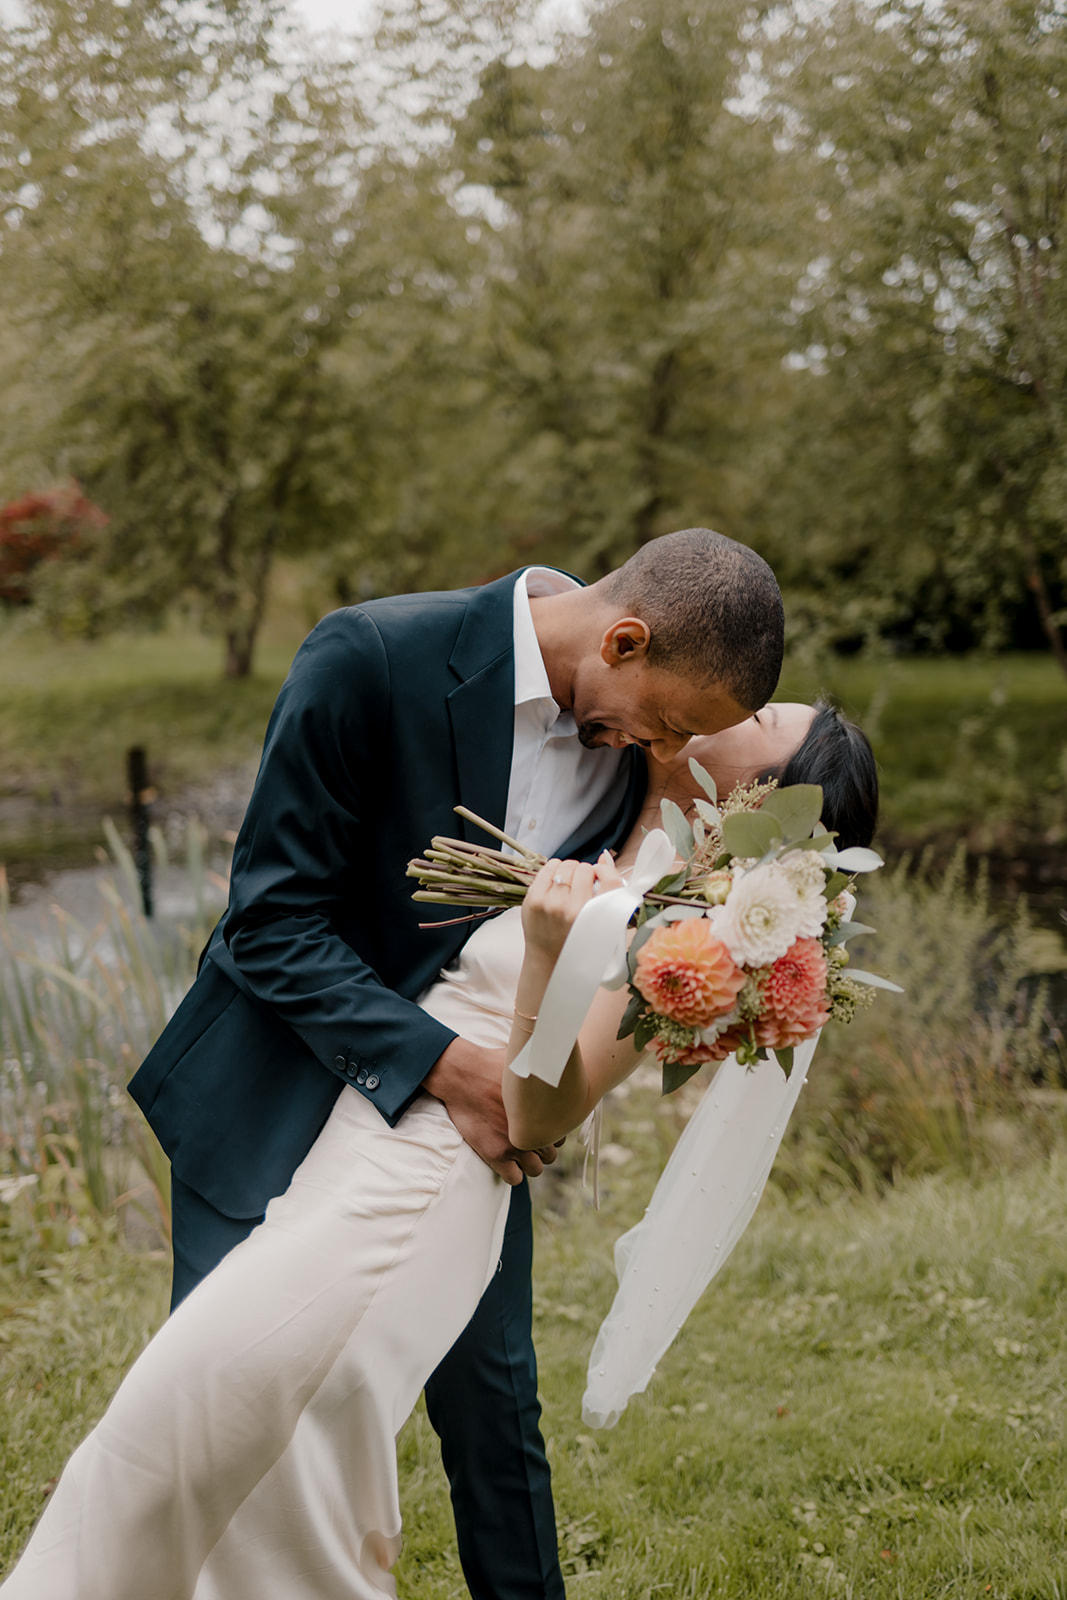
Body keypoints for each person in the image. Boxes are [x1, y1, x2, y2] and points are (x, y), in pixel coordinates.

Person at [0, 698, 877, 1600]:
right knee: (194, 1437)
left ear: (773, 795)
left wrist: (542, 950)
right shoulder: (609, 806)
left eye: (762, 712)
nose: (734, 694)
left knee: (212, 1428)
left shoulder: (696, 936)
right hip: (355, 1142)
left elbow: (539, 1116)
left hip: (419, 1187)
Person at [124, 529, 786, 1600]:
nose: (654, 752)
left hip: (458, 1136)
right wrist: (454, 1068)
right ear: (622, 637)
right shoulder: (368, 656)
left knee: (493, 1402)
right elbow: (270, 925)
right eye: (662, 720)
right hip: (274, 1079)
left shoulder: (625, 743)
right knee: (221, 1406)